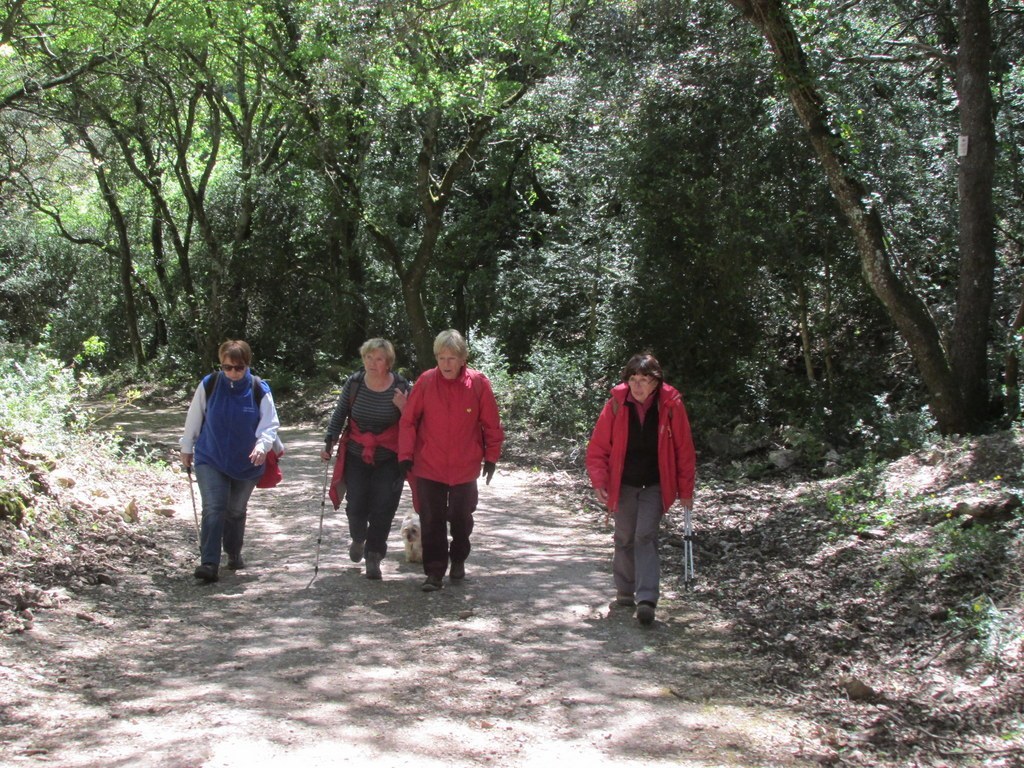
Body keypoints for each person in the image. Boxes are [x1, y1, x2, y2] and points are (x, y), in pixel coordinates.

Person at [586, 352, 695, 626]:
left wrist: (686, 491)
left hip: (656, 483)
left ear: (656, 382)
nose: (638, 386)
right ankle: (625, 589)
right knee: (624, 537)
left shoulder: (671, 405)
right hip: (623, 483)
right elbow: (598, 448)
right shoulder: (616, 404)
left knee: (645, 535)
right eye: (633, 379)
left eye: (644, 380)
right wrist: (600, 481)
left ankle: (647, 598)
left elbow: (684, 450)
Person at [398, 329, 504, 592]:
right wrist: (405, 455)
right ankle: (434, 572)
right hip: (429, 464)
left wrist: (491, 457)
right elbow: (409, 421)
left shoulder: (478, 383)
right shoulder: (425, 382)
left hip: (464, 466)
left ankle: (458, 558)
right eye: (441, 358)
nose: (446, 364)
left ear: (462, 359)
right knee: (431, 519)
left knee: (461, 517)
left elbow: (491, 423)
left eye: (452, 358)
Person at [180, 339, 281, 583]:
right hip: (210, 457)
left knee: (235, 511)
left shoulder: (258, 388)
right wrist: (186, 447)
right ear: (221, 366)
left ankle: (233, 552)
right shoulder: (209, 384)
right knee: (214, 508)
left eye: (239, 368)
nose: (233, 373)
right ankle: (209, 563)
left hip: (247, 462)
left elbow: (270, 425)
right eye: (227, 367)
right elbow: (194, 417)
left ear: (247, 365)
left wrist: (262, 446)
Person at [321, 338, 411, 580]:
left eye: (378, 358)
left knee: (384, 506)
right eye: (368, 357)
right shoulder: (355, 383)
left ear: (388, 363)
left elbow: (414, 422)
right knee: (357, 507)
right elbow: (341, 413)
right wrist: (330, 439)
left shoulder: (401, 386)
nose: (372, 363)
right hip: (356, 454)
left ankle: (374, 555)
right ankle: (359, 537)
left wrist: (404, 407)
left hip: (389, 457)